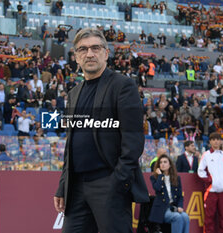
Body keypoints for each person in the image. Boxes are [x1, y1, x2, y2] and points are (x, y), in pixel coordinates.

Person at [53, 28, 149, 233]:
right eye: (83, 49)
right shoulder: (73, 93)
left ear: (106, 53)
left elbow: (133, 140)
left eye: (95, 48)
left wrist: (118, 181)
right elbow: (71, 145)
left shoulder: (123, 86)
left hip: (108, 183)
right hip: (76, 187)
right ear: (76, 57)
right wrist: (63, 185)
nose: (89, 54)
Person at [198, 132, 223, 233]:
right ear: (210, 141)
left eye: (218, 139)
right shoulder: (206, 155)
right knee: (209, 218)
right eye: (213, 139)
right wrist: (210, 181)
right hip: (211, 192)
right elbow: (200, 171)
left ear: (221, 141)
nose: (216, 141)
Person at [148, 154, 190, 233]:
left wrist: (180, 206)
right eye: (160, 162)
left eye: (165, 162)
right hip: (161, 210)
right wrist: (160, 176)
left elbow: (180, 196)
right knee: (177, 217)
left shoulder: (176, 178)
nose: (162, 164)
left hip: (173, 207)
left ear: (170, 164)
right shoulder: (154, 177)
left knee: (185, 217)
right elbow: (157, 188)